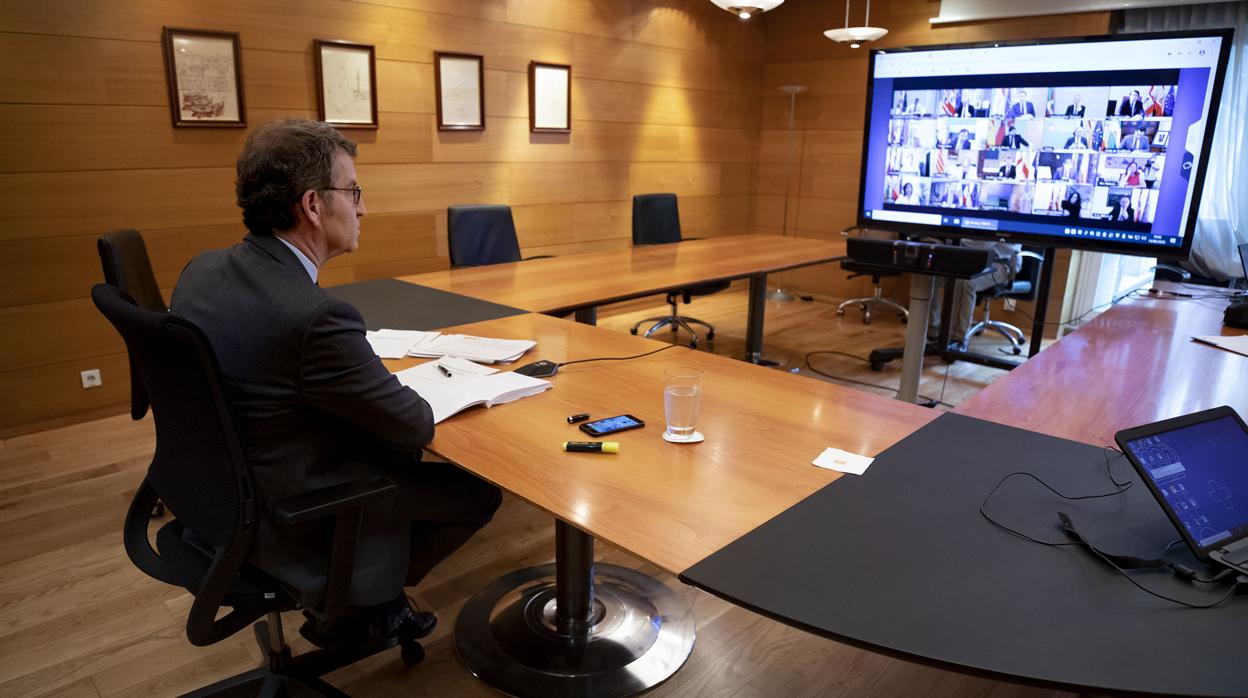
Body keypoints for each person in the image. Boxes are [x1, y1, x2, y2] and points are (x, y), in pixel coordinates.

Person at [170, 118, 502, 648]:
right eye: (353, 191)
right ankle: (363, 606)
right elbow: (413, 424)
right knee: (474, 492)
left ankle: (369, 596)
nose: (363, 207)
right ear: (313, 206)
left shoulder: (201, 269)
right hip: (290, 511)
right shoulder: (313, 316)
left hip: (214, 494)